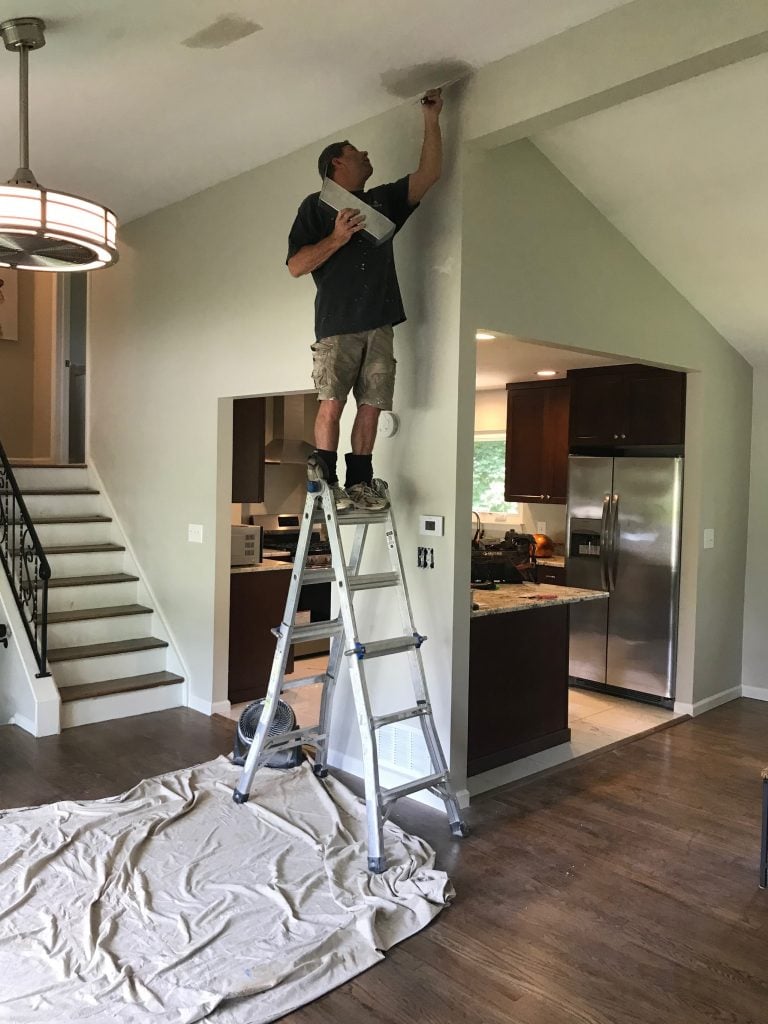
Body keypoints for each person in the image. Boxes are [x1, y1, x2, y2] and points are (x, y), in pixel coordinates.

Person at [286, 88, 444, 510]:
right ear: (336, 164)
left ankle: (360, 482)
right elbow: (296, 266)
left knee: (372, 406)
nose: (366, 155)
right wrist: (337, 238)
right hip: (337, 324)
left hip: (380, 321)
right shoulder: (316, 206)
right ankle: (327, 482)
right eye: (357, 152)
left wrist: (431, 119)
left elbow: (429, 174)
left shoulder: (381, 201)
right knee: (332, 402)